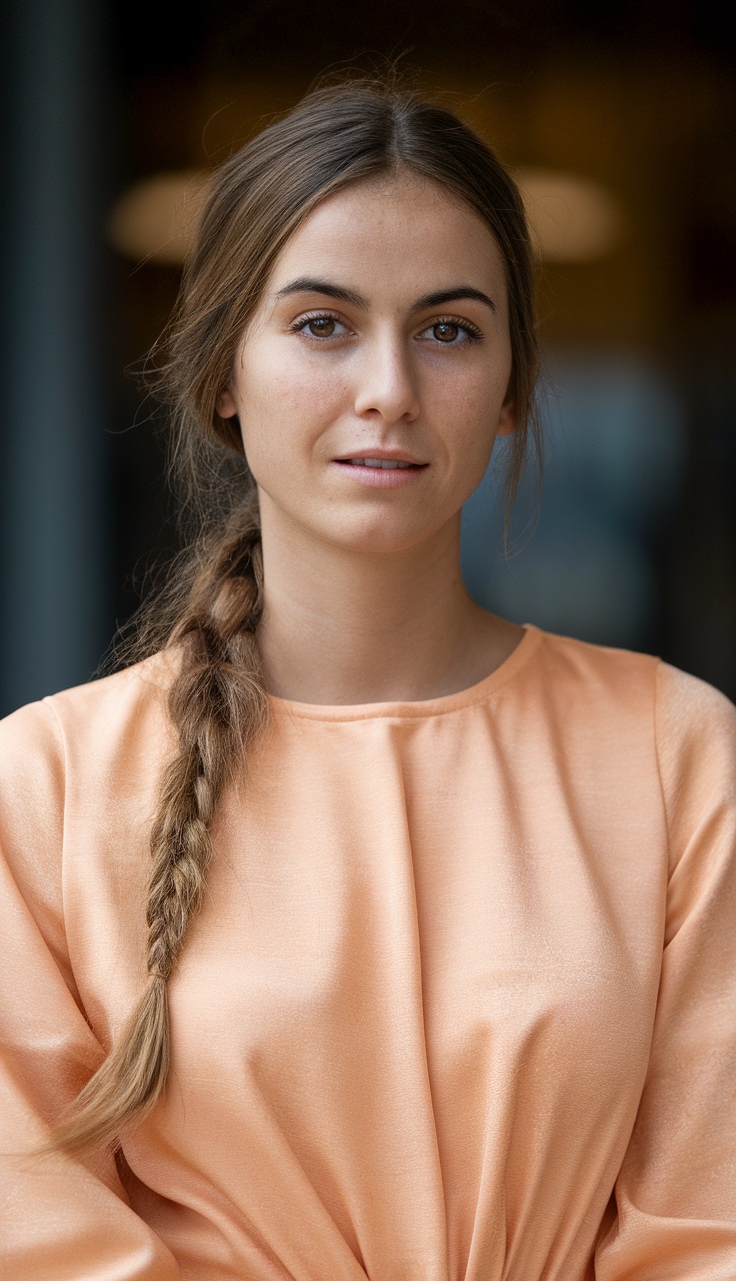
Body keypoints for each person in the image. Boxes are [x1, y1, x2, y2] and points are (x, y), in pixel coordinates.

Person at [1, 81, 734, 1281]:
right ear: (222, 373)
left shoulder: (678, 755)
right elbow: (34, 1243)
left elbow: (712, 1230)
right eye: (321, 324)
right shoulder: (47, 785)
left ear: (511, 389)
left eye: (447, 328)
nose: (387, 386)